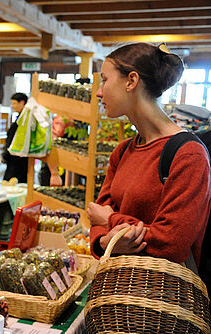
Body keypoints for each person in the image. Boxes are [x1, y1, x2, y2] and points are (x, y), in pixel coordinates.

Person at [87, 43, 210, 266]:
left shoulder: (189, 154)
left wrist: (111, 220)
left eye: (105, 79)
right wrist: (105, 242)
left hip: (162, 294)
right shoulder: (122, 151)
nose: (99, 91)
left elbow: (172, 242)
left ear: (131, 81)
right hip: (120, 285)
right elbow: (96, 216)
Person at [3, 92, 62, 186]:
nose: (12, 106)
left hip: (19, 160)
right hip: (15, 157)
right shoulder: (22, 118)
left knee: (17, 185)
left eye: (14, 103)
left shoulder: (29, 118)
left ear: (22, 103)